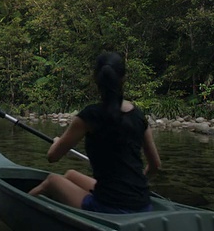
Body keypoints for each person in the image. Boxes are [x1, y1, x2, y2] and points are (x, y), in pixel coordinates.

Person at [29, 51, 161, 213]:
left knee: (51, 181)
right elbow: (155, 166)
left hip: (108, 207)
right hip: (142, 203)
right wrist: (133, 185)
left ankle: (18, 210)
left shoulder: (90, 116)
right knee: (70, 174)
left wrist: (57, 143)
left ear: (95, 79)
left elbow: (52, 157)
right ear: (123, 78)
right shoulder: (138, 116)